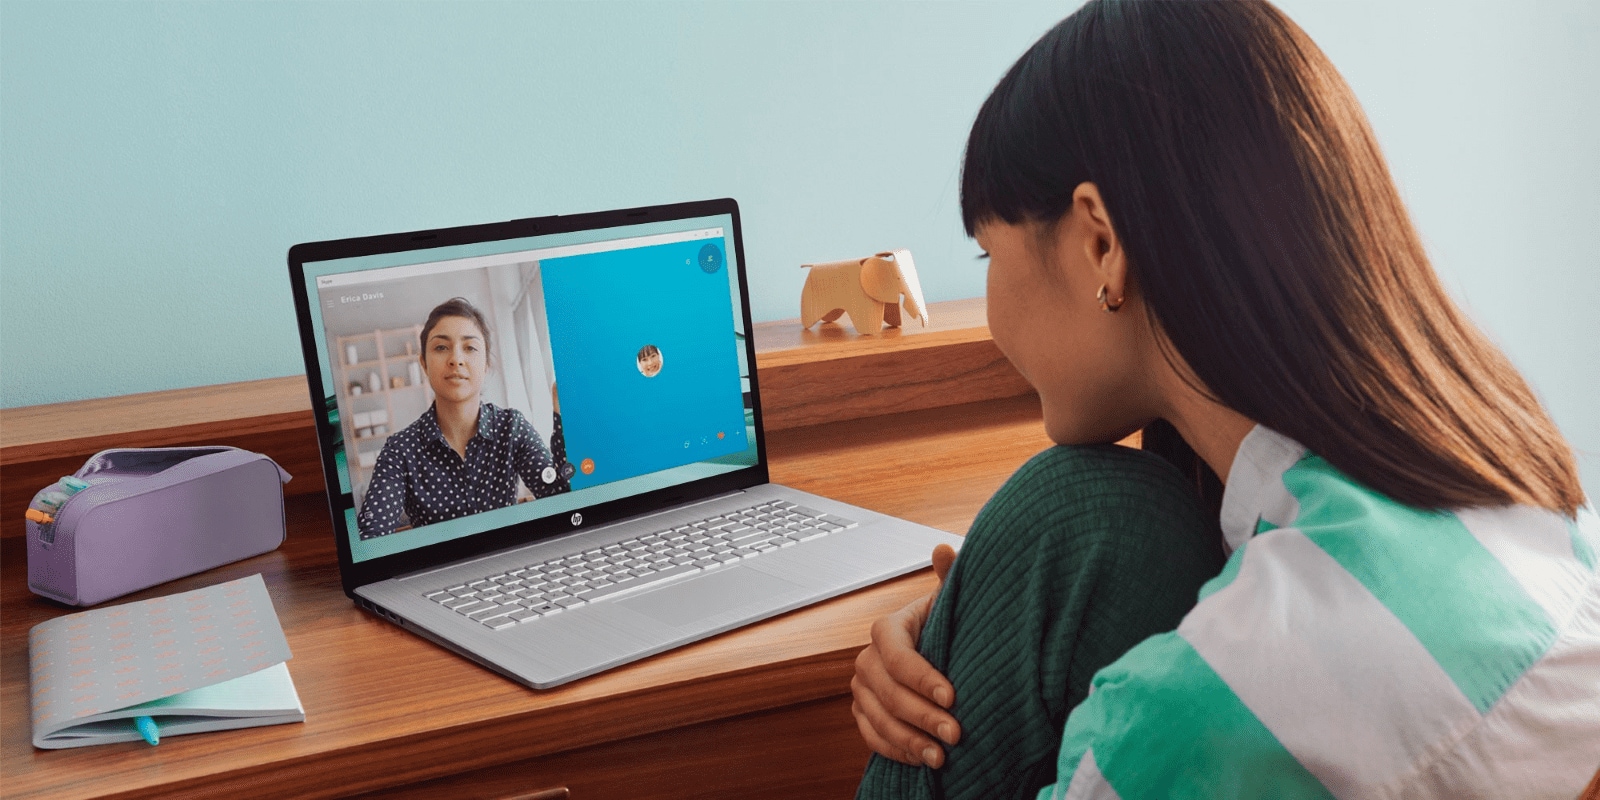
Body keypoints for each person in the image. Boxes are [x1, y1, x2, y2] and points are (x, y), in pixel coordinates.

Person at [849, 2, 1600, 798]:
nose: (992, 308)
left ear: (1099, 243)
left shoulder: (1197, 711)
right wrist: (970, 613)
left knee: (1069, 505)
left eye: (987, 250)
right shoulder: (1523, 505)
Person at [357, 297, 572, 538]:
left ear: (486, 364)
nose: (456, 359)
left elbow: (563, 499)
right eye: (441, 347)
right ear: (424, 364)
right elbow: (371, 537)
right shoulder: (400, 451)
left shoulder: (513, 428)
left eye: (469, 348)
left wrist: (563, 418)